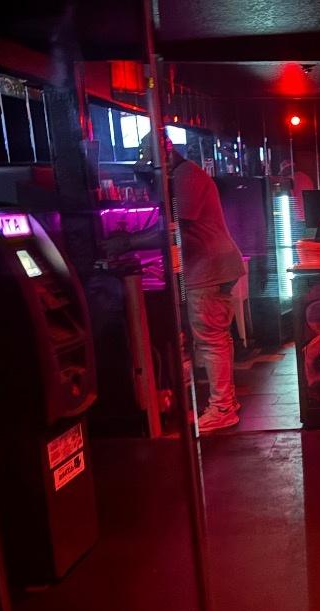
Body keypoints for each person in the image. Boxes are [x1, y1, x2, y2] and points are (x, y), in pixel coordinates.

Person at [108, 131, 246, 432]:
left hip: (208, 267)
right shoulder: (184, 175)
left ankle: (222, 408)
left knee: (211, 338)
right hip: (210, 266)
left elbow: (175, 229)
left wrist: (128, 243)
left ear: (165, 152)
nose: (150, 164)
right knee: (215, 337)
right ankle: (226, 402)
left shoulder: (187, 176)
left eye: (150, 158)